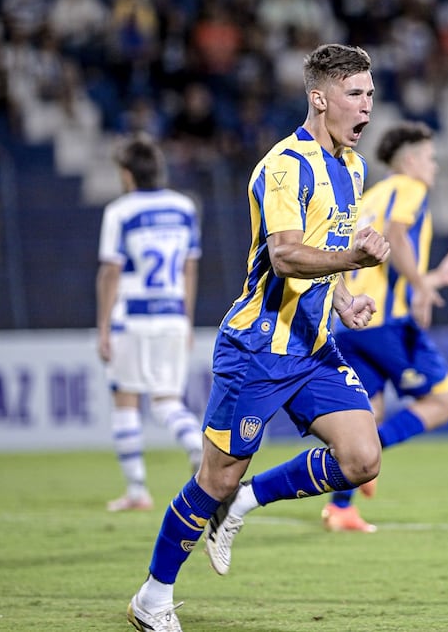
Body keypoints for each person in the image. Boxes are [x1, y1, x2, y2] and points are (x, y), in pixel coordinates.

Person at [126, 43, 390, 632]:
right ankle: (153, 597)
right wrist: (353, 258)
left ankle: (243, 504)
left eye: (371, 94)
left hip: (313, 349)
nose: (367, 106)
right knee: (215, 477)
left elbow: (325, 254)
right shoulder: (285, 166)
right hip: (257, 350)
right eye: (355, 94)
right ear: (319, 99)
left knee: (362, 458)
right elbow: (286, 254)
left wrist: (344, 299)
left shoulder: (353, 168)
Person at [322, 121, 448, 533]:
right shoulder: (410, 187)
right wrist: (422, 285)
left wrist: (431, 279)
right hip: (387, 323)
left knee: (367, 416)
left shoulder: (369, 196)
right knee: (443, 401)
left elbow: (376, 265)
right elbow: (396, 236)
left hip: (351, 321)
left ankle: (340, 509)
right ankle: (370, 456)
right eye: (430, 158)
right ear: (409, 161)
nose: (434, 167)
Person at [96, 133, 204, 513]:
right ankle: (198, 447)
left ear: (127, 175)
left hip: (133, 318)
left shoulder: (120, 211)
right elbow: (190, 268)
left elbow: (111, 272)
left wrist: (103, 326)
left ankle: (137, 490)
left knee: (125, 400)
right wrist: (187, 319)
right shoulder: (184, 207)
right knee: (167, 402)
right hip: (173, 316)